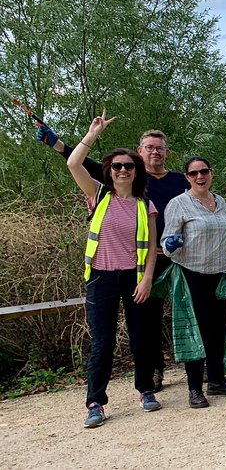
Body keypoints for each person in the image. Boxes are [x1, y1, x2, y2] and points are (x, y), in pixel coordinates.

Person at [38, 125, 187, 391]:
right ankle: (153, 374)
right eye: (149, 148)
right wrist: (59, 145)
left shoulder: (179, 181)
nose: (155, 152)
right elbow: (83, 165)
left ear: (167, 153)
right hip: (136, 265)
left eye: (160, 148)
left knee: (185, 314)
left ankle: (197, 369)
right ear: (140, 153)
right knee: (145, 325)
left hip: (176, 260)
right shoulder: (117, 183)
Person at [64, 111, 160, 428]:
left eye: (128, 166)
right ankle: (95, 403)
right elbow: (73, 163)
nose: (122, 170)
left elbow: (151, 250)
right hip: (101, 280)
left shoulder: (146, 205)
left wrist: (147, 279)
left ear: (136, 171)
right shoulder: (98, 195)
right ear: (109, 170)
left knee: (140, 339)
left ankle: (146, 390)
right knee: (102, 343)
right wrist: (93, 134)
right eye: (116, 166)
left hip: (133, 280)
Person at [160, 156, 226, 407]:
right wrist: (170, 245)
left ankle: (217, 380)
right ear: (187, 177)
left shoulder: (220, 202)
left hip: (221, 273)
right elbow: (167, 241)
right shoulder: (179, 204)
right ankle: (194, 388)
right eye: (193, 173)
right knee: (196, 331)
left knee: (218, 330)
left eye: (204, 171)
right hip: (191, 274)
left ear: (211, 173)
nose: (200, 177)